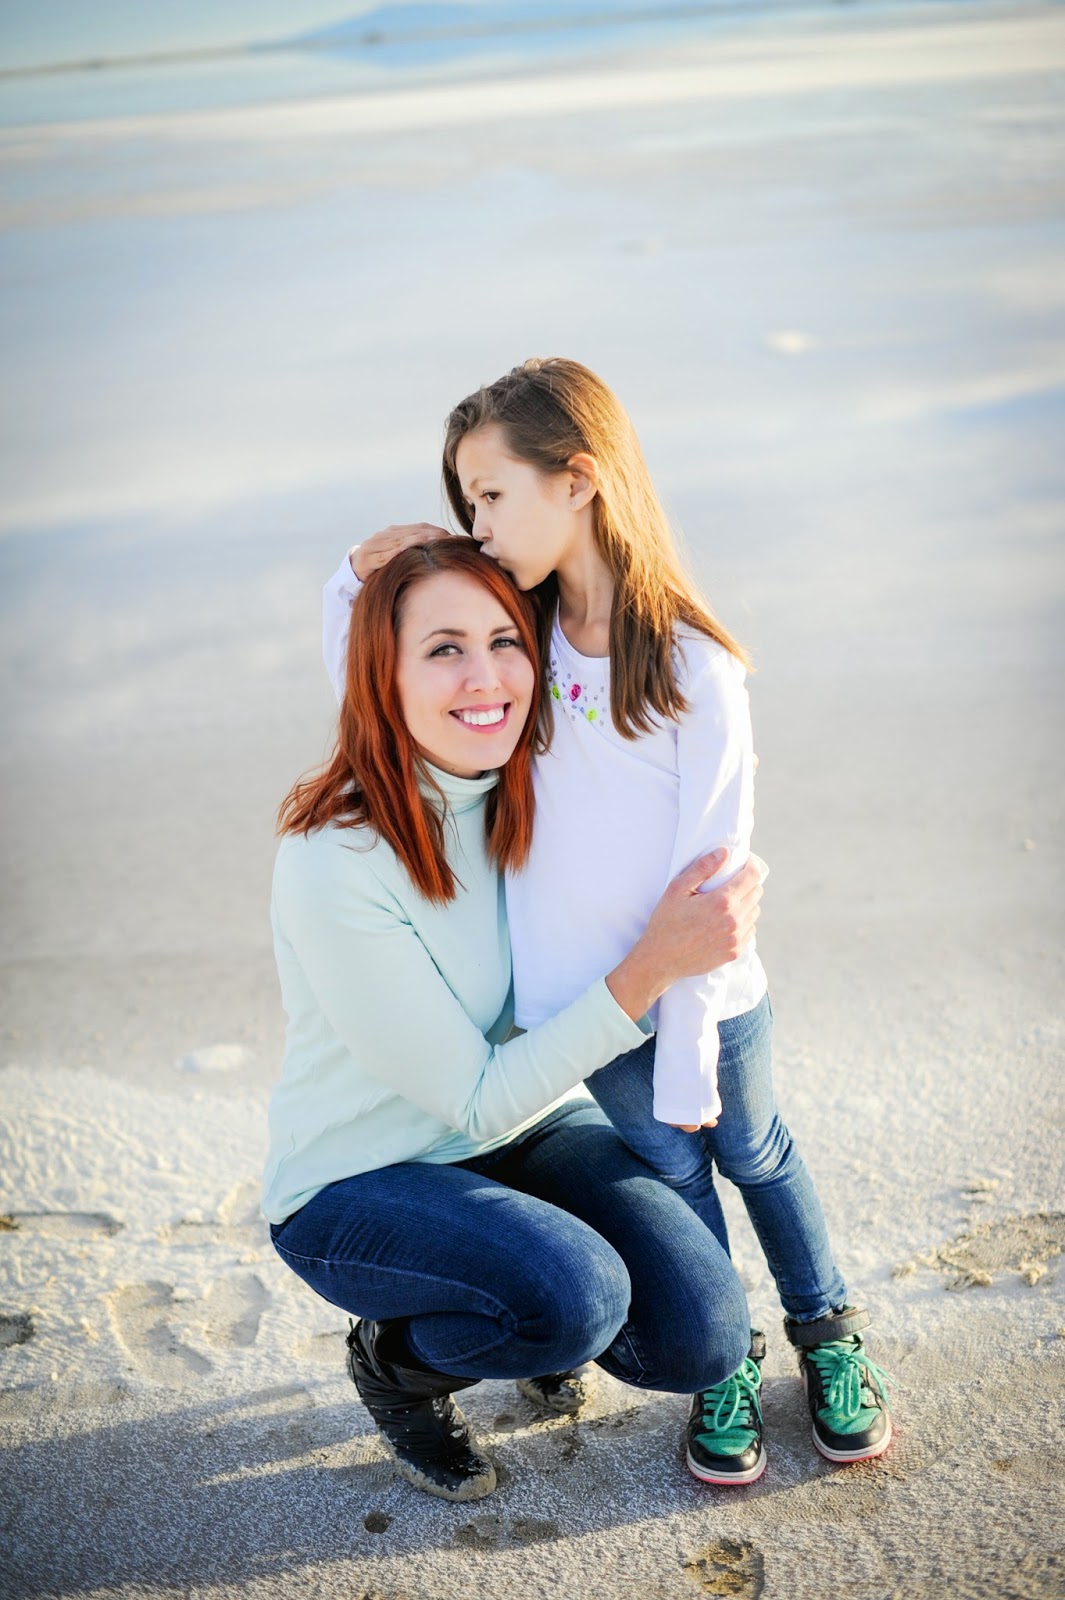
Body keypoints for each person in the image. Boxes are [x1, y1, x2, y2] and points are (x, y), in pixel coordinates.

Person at [322, 357, 894, 1485]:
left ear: (578, 479)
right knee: (673, 1178)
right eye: (466, 501)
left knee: (754, 1153)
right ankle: (725, 1360)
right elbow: (374, 648)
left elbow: (712, 877)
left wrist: (686, 1051)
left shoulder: (693, 665)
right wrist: (360, 566)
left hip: (707, 1001)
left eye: (492, 494)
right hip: (590, 1009)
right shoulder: (517, 633)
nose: (477, 526)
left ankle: (828, 1331)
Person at [265, 537, 767, 1503]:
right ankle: (397, 1364)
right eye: (443, 649)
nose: (485, 677)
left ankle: (516, 1301)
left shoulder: (530, 786)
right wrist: (651, 967)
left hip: (526, 1126)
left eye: (505, 641)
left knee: (702, 1338)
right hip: (359, 1176)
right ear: (382, 673)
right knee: (572, 1298)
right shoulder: (334, 861)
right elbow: (471, 1097)